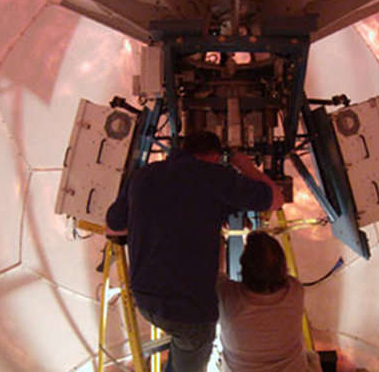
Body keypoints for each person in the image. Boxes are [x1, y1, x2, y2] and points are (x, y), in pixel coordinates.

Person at [106, 131, 284, 372]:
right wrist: (245, 165)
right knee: (189, 357)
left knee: (182, 355)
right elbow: (275, 200)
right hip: (189, 311)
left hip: (147, 300)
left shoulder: (143, 175)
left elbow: (113, 227)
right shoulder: (216, 177)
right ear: (214, 156)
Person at [217, 231, 321, 372]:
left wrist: (221, 237)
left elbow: (216, 270)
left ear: (244, 266)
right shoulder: (295, 289)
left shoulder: (227, 296)